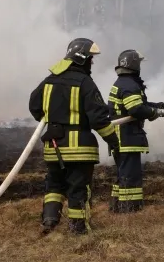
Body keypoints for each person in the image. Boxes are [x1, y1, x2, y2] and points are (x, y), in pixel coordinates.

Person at [29, 38, 120, 235]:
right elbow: (99, 119)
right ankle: (78, 229)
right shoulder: (85, 83)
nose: (92, 63)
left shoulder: (49, 80)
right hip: (80, 150)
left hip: (54, 146)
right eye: (90, 59)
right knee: (78, 188)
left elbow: (34, 106)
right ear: (82, 59)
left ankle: (49, 221)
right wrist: (113, 140)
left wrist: (54, 119)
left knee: (54, 185)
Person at [107, 49, 164, 213]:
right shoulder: (129, 85)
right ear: (134, 64)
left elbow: (141, 105)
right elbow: (136, 109)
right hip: (126, 136)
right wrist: (155, 112)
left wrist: (163, 107)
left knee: (123, 173)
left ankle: (116, 207)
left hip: (121, 136)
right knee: (130, 175)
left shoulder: (124, 82)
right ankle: (129, 209)